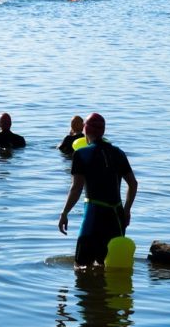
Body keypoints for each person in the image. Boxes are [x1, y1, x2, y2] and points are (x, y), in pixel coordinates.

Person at [58, 113, 138, 267]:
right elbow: (133, 184)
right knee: (106, 265)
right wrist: (126, 211)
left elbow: (76, 188)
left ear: (85, 129)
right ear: (103, 131)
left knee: (81, 267)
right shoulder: (119, 153)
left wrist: (64, 213)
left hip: (94, 217)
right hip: (116, 217)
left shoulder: (81, 154)